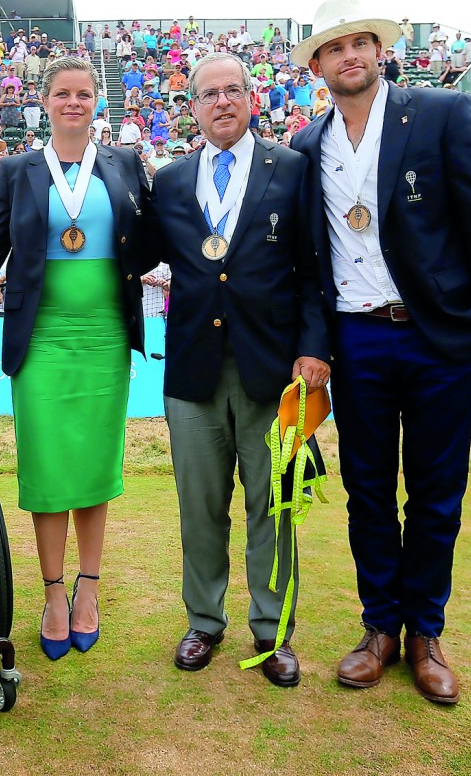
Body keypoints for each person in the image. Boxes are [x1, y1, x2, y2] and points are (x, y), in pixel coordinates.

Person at [290, 0, 471, 704]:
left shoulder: (441, 113)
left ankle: (426, 632)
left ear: (379, 52)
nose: (350, 55)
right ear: (318, 66)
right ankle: (379, 628)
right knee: (367, 491)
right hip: (356, 338)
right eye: (335, 47)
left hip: (440, 334)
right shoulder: (305, 145)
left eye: (361, 43)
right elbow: (310, 262)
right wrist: (318, 344)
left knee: (437, 492)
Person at [0, 57, 152, 661]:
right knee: (46, 468)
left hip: (105, 337)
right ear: (44, 102)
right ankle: (54, 594)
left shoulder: (124, 164)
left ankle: (89, 589)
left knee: (94, 466)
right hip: (39, 339)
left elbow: (149, 243)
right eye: (63, 94)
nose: (74, 102)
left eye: (84, 94)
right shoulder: (16, 170)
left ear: (98, 102)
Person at [143, 51, 330, 688]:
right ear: (192, 108)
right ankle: (204, 621)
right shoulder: (168, 181)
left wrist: (316, 349)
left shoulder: (292, 168)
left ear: (251, 98)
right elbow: (132, 255)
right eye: (208, 94)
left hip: (276, 368)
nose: (221, 102)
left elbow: (314, 272)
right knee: (199, 506)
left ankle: (272, 631)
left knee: (273, 505)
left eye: (233, 91)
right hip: (194, 369)